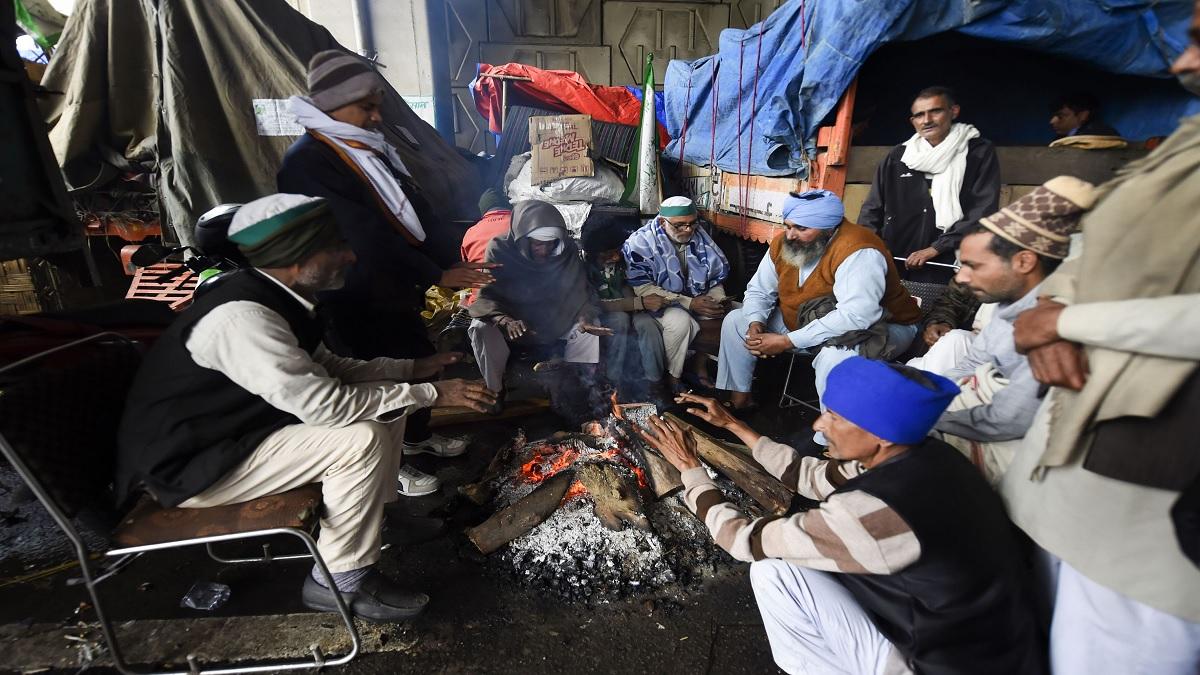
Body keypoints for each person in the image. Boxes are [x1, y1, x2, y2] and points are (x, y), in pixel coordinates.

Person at [115, 194, 497, 622]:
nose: (350, 255)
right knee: (360, 438)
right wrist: (433, 395)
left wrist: (414, 368)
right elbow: (328, 408)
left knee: (388, 397)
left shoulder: (279, 295)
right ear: (297, 256)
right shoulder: (242, 318)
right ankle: (338, 581)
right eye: (336, 247)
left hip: (235, 437)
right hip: (191, 467)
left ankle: (378, 521)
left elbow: (330, 366)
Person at [1003, 9, 1200, 671]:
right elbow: (1096, 243)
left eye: (1199, 41)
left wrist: (1065, 322)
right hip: (1088, 458)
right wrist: (1055, 301)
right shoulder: (1184, 144)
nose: (1181, 63)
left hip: (1160, 481)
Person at [640, 359, 1045, 675]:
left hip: (942, 665)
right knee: (777, 572)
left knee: (770, 571)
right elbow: (809, 476)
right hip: (987, 641)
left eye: (835, 417)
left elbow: (742, 539)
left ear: (881, 434)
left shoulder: (877, 513)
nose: (818, 424)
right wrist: (733, 425)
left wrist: (690, 469)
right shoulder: (925, 454)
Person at [277, 50, 492, 492]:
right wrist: (436, 274)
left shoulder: (364, 147)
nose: (376, 115)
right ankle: (387, 464)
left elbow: (413, 209)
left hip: (393, 284)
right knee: (377, 368)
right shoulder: (309, 163)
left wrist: (454, 257)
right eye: (367, 106)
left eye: (376, 104)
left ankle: (414, 439)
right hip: (355, 289)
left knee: (414, 355)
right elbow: (365, 235)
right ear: (332, 105)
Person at [929, 177, 1094, 484]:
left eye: (972, 266)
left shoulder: (1054, 328)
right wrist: (921, 397)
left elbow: (1006, 420)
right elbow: (971, 364)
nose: (961, 278)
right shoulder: (1008, 305)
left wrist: (922, 416)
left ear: (1024, 261)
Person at [716, 190, 920, 414]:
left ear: (828, 229)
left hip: (882, 328)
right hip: (807, 321)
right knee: (737, 320)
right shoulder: (785, 244)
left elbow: (857, 316)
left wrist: (787, 341)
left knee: (836, 357)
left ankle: (832, 440)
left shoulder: (859, 250)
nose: (791, 235)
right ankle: (740, 400)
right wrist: (757, 323)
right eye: (788, 225)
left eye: (801, 229)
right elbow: (759, 290)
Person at [467, 200, 612, 405]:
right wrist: (505, 320)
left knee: (589, 328)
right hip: (514, 322)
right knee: (480, 328)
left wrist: (584, 317)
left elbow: (579, 291)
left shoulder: (566, 250)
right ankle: (495, 390)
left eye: (550, 244)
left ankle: (580, 387)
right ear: (522, 239)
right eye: (537, 243)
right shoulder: (500, 248)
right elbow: (487, 296)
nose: (544, 250)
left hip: (554, 318)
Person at [858, 86, 1001, 283]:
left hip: (949, 260)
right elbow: (872, 209)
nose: (927, 120)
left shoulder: (977, 152)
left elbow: (983, 210)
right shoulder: (899, 156)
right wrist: (870, 248)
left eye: (935, 111)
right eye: (919, 115)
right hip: (896, 260)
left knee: (941, 312)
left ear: (954, 111)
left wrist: (937, 248)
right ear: (912, 121)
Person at [622, 196, 730, 389]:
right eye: (680, 225)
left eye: (692, 224)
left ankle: (700, 366)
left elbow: (714, 278)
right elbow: (643, 288)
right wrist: (689, 303)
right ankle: (673, 378)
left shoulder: (700, 236)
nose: (688, 230)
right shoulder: (640, 243)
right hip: (658, 303)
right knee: (681, 322)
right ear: (663, 222)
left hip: (695, 299)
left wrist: (717, 299)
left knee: (732, 316)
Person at [582, 217, 666, 397]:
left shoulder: (623, 261)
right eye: (608, 254)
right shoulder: (586, 270)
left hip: (632, 309)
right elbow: (596, 304)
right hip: (605, 314)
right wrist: (637, 303)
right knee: (619, 320)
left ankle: (655, 382)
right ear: (594, 254)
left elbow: (628, 286)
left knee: (648, 324)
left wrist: (638, 304)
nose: (616, 257)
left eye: (617, 251)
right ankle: (613, 380)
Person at [905, 278, 985, 374]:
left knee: (956, 339)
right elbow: (951, 301)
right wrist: (942, 322)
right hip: (967, 346)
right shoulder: (969, 276)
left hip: (994, 359)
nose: (961, 273)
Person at [1049, 92, 1120, 138]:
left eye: (1061, 116)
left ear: (1083, 115)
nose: (1052, 121)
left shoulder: (1098, 137)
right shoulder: (1061, 138)